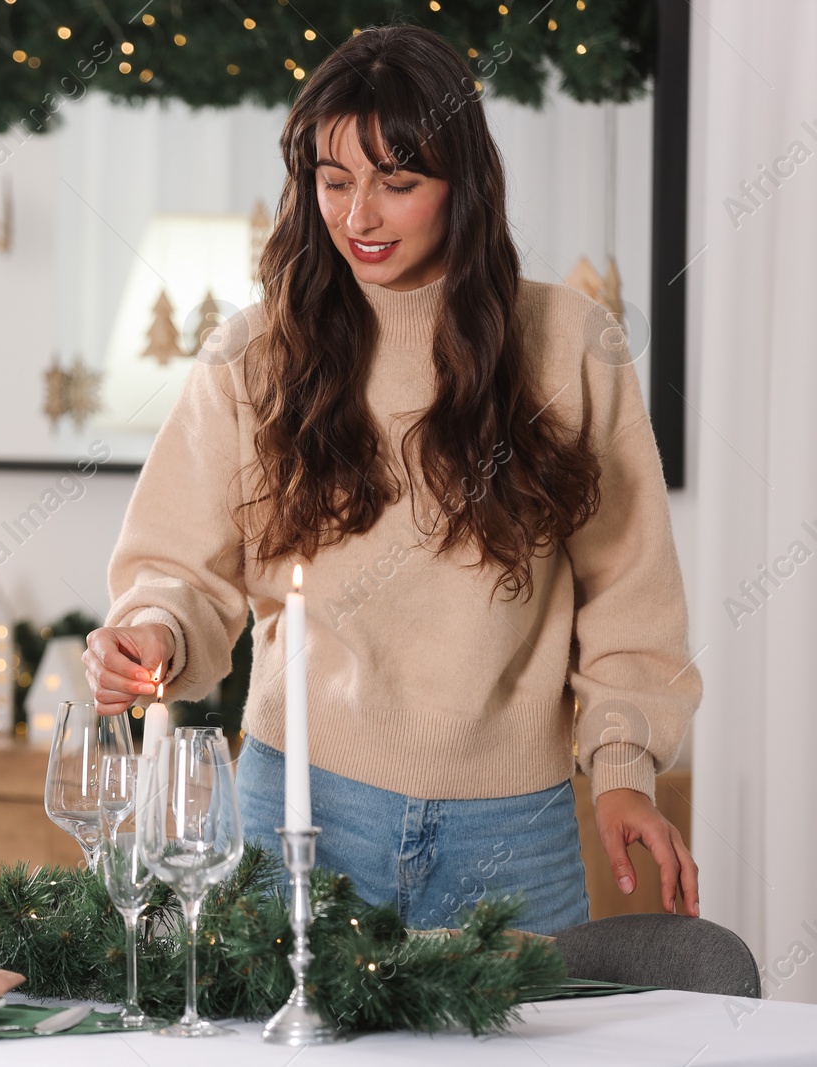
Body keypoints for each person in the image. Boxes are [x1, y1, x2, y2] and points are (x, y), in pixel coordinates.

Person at [84, 24, 701, 935]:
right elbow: (181, 566)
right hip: (295, 807)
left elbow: (630, 597)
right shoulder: (256, 352)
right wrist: (151, 633)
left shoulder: (571, 342)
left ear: (465, 184)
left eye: (397, 183)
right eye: (334, 182)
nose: (358, 216)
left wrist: (621, 770)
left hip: (514, 832)